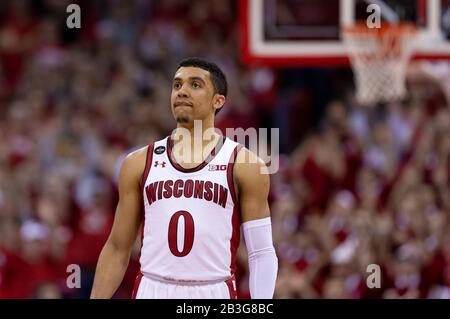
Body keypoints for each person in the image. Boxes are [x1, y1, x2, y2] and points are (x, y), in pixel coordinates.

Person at [90, 57, 278, 299]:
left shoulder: (245, 165)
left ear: (218, 100)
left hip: (212, 289)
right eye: (177, 85)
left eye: (195, 85)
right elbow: (117, 247)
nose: (182, 92)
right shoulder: (138, 162)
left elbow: (261, 252)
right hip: (152, 287)